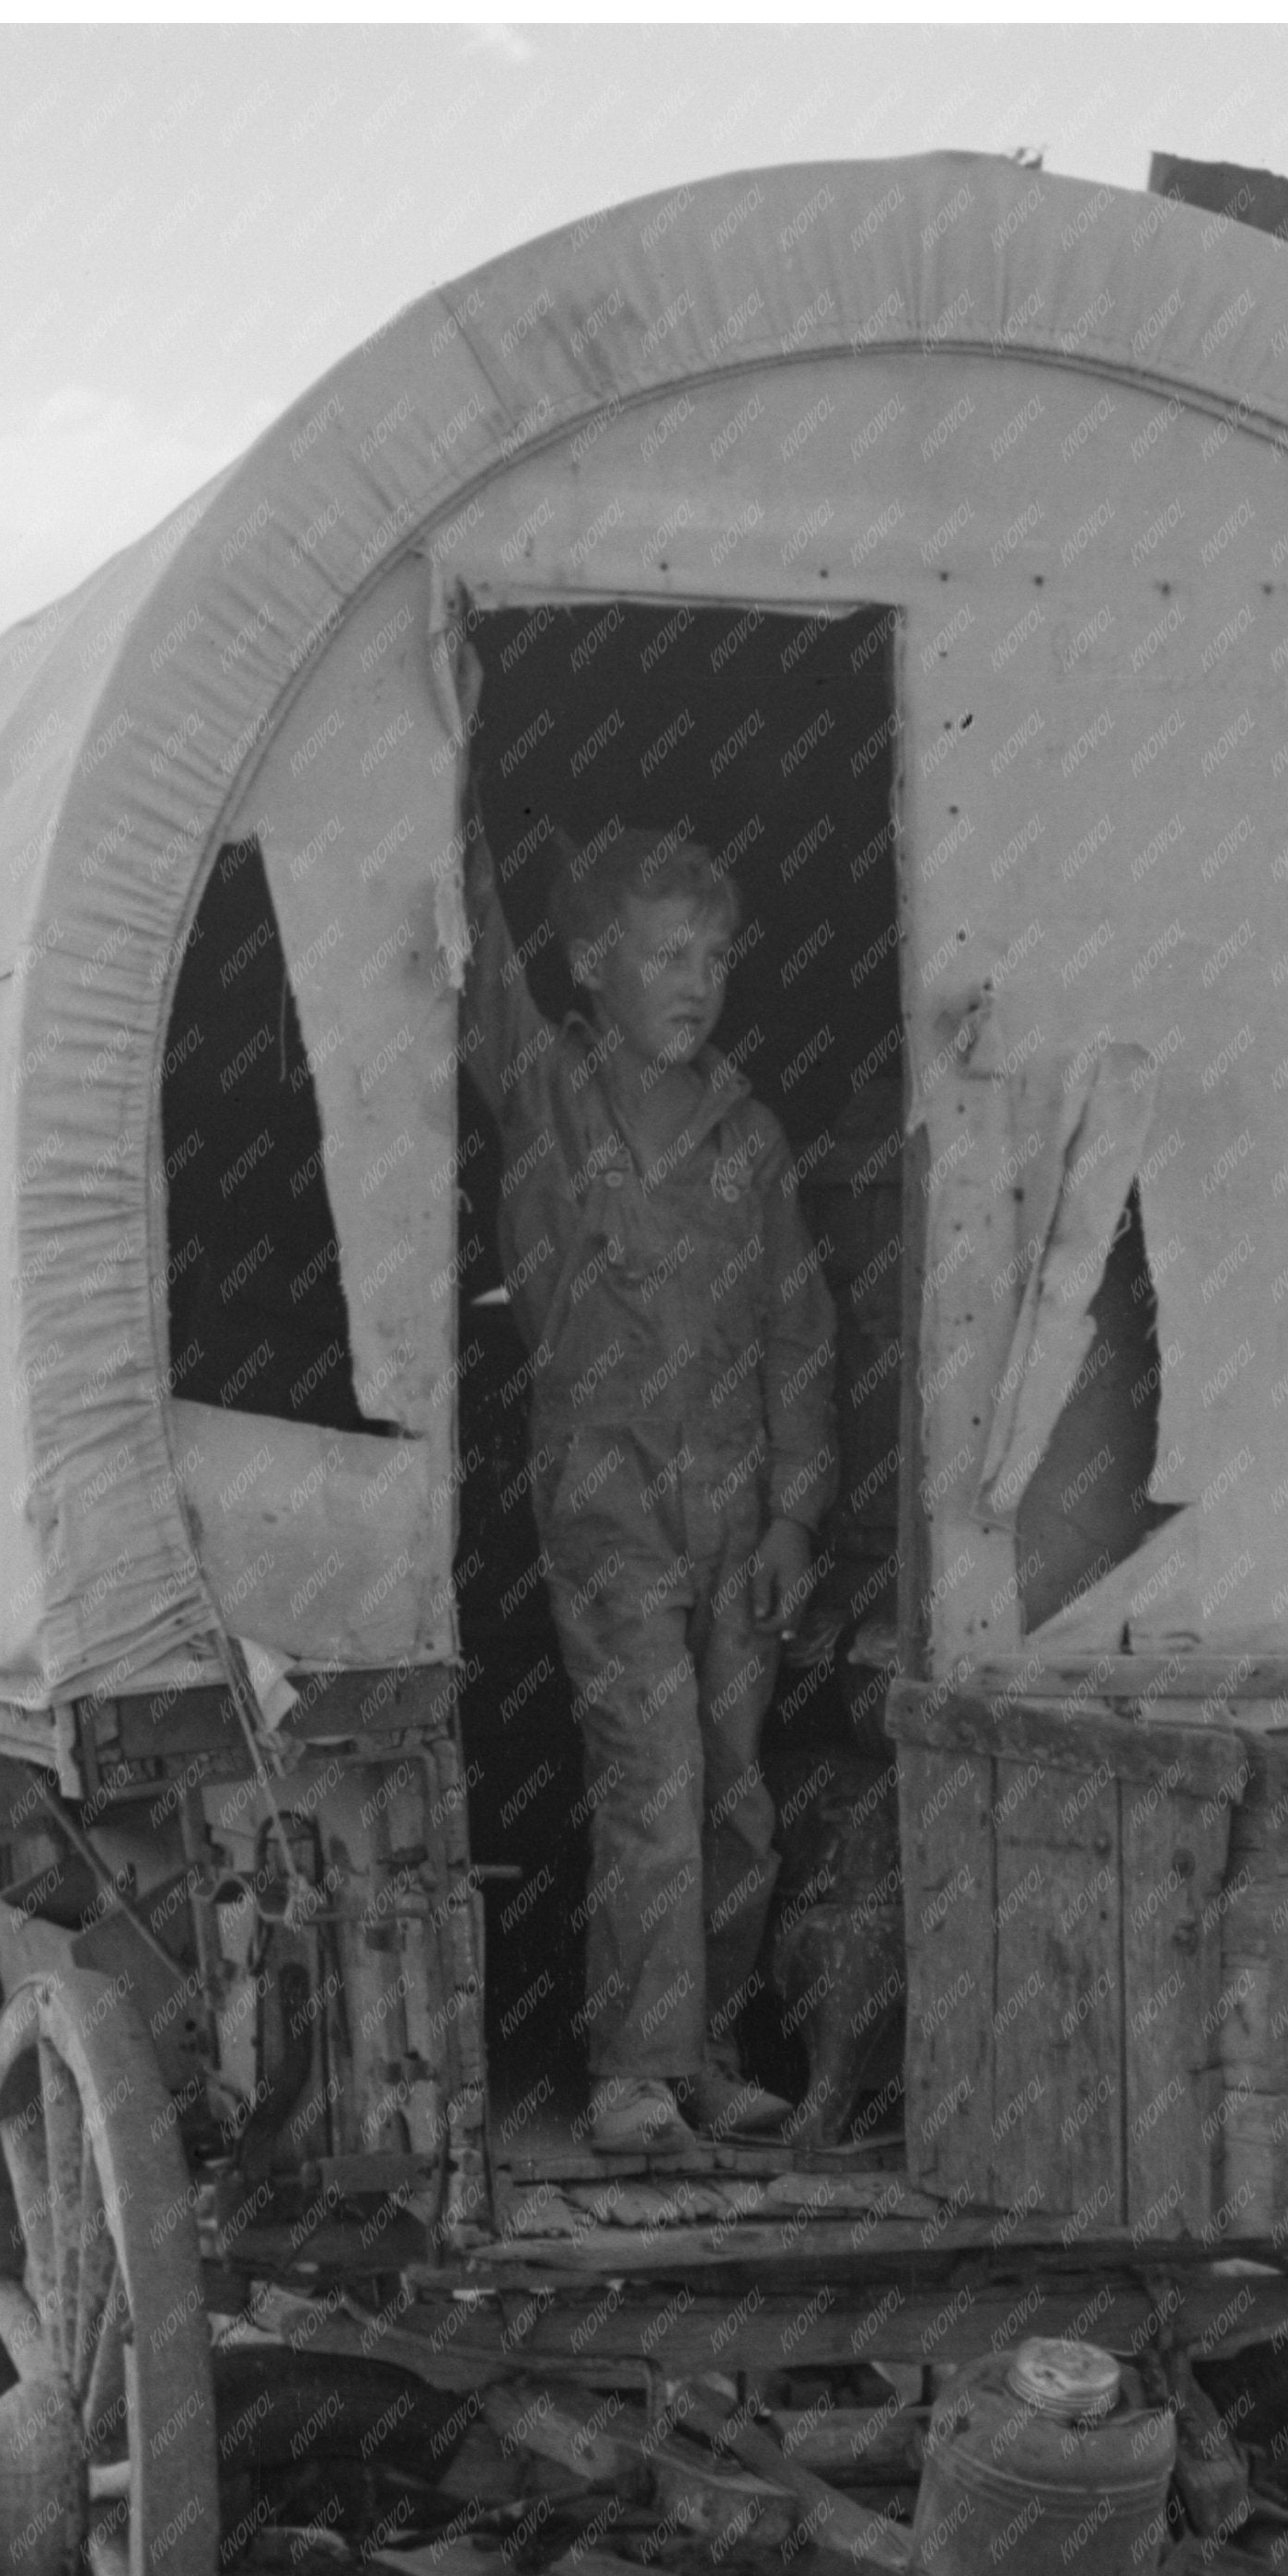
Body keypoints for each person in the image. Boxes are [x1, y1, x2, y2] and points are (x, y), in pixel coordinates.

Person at [460, 783, 838, 2154]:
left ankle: (711, 2059)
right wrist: (445, 742)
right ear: (589, 964)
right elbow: (476, 953)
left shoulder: (750, 1136)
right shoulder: (543, 1088)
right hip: (606, 1496)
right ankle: (631, 2070)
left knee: (736, 1790)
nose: (697, 984)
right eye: (666, 955)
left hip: (736, 1508)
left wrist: (797, 1512)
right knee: (654, 1778)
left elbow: (800, 1329)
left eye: (714, 958)